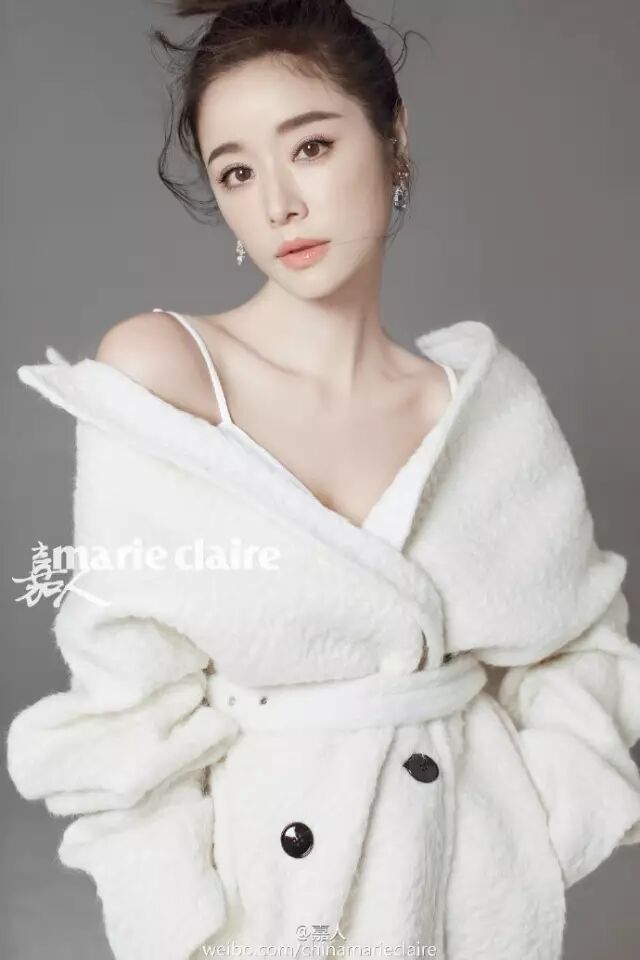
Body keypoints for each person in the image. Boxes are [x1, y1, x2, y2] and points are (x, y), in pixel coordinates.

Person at [6, 3, 640, 959]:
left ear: (394, 139)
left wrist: (543, 830)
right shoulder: (163, 372)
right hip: (262, 904)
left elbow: (579, 642)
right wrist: (175, 924)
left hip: (464, 891)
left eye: (309, 147)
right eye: (236, 172)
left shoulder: (482, 407)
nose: (279, 206)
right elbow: (126, 696)